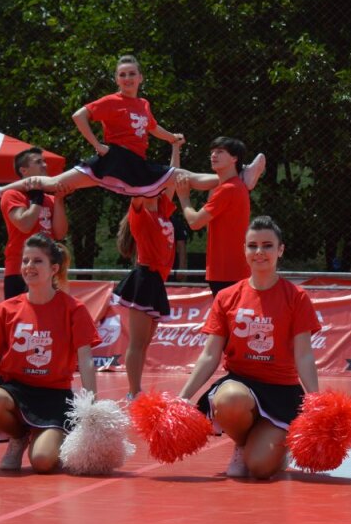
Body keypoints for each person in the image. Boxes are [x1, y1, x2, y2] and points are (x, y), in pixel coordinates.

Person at [0, 55, 265, 212]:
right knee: (50, 183)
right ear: (116, 79)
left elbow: (151, 127)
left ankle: (240, 176)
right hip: (113, 159)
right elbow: (79, 116)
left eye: (132, 74)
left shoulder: (143, 103)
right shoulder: (111, 101)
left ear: (140, 78)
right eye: (122, 75)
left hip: (134, 163)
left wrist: (171, 137)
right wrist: (97, 144)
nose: (127, 78)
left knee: (181, 176)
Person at [178, 216, 321, 480]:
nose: (259, 252)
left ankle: (273, 445)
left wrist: (316, 401)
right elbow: (210, 355)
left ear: (280, 250)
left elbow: (304, 355)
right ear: (244, 250)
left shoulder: (297, 297)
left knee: (259, 469)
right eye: (252, 245)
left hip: (281, 391)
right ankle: (242, 443)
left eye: (267, 245)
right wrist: (183, 397)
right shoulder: (227, 296)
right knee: (229, 398)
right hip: (240, 385)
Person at [0, 234, 99, 473]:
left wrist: (91, 407)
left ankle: (50, 434)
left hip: (54, 396)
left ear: (53, 269)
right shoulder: (5, 309)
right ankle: (19, 437)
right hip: (15, 391)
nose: (28, 267)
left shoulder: (74, 309)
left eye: (37, 261)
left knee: (43, 462)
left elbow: (86, 361)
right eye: (25, 261)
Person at [113, 192, 176, 399]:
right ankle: (133, 392)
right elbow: (137, 189)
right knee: (137, 343)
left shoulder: (162, 210)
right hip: (144, 278)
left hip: (156, 281)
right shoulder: (141, 213)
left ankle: (135, 390)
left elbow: (172, 178)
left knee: (145, 343)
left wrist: (177, 157)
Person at [176, 137, 252, 296]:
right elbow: (208, 225)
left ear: (234, 158)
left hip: (227, 273)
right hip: (229, 271)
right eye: (212, 152)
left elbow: (195, 222)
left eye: (220, 152)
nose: (213, 155)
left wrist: (183, 197)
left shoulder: (228, 189)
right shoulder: (231, 187)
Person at [0, 148, 69, 300]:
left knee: (47, 317)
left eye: (44, 161)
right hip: (19, 269)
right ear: (24, 170)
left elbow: (60, 233)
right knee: (18, 319)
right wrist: (36, 198)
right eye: (38, 162)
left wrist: (58, 199)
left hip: (47, 269)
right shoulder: (12, 194)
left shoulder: (49, 199)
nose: (44, 165)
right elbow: (25, 224)